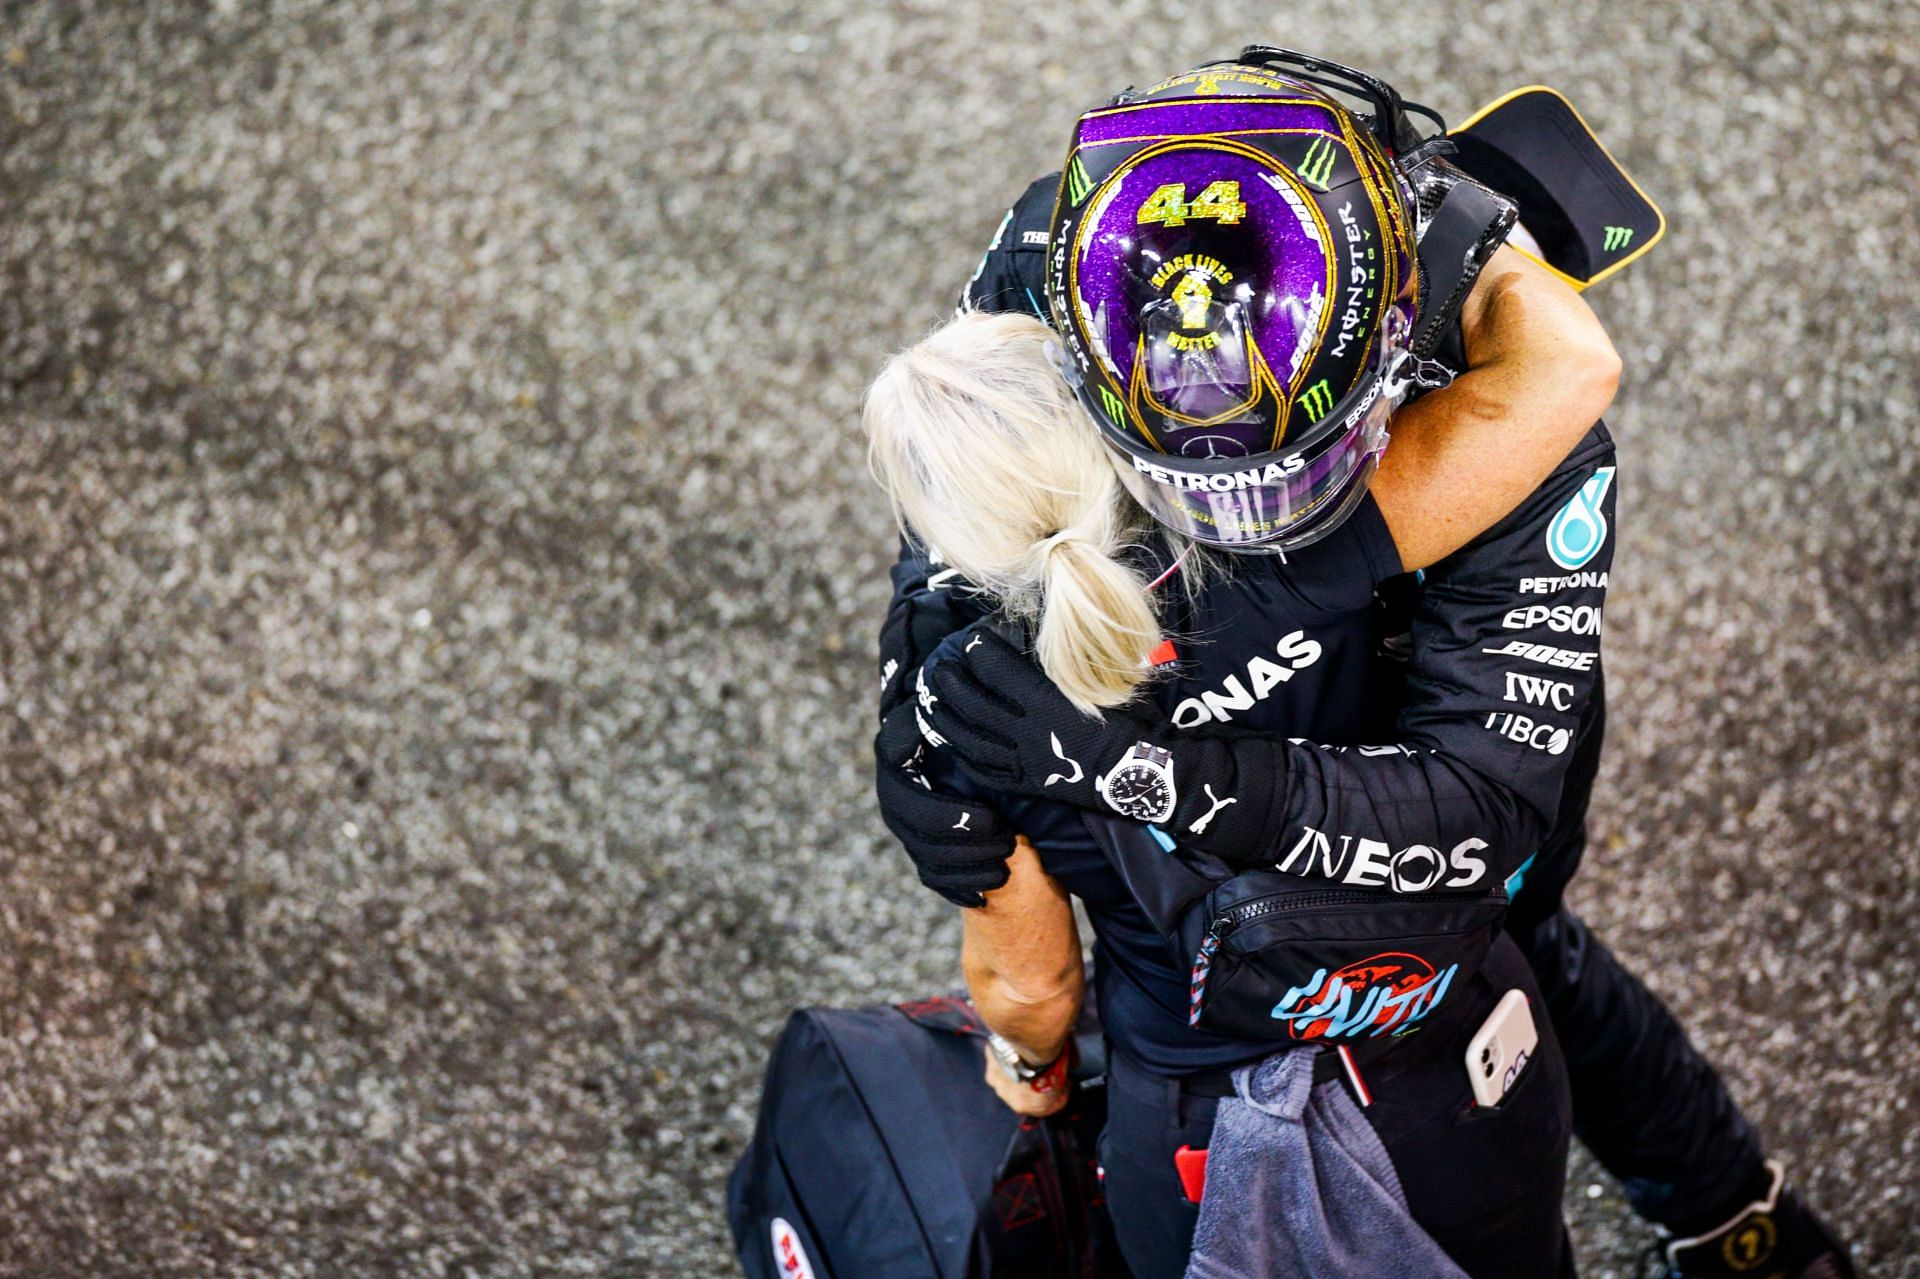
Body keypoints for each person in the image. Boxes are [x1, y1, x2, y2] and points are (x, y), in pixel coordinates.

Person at [871, 53, 1853, 1279]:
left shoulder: (1528, 394)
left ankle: (1739, 1224)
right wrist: (913, 693)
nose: (1246, 519)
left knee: (1522, 926)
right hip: (1307, 953)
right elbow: (957, 452)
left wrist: (1144, 771)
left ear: (1398, 344)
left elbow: (1484, 815)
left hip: (1452, 782)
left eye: (1290, 480)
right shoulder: (1053, 262)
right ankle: (1747, 1228)